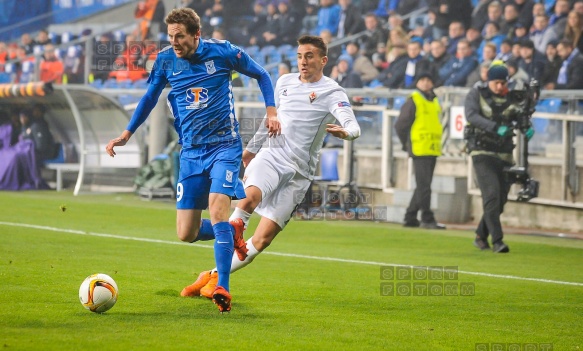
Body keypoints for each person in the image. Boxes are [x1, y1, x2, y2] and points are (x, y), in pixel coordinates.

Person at [105, 8, 280, 313]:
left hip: (224, 147)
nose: (174, 42)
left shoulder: (224, 53)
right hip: (190, 152)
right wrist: (126, 133)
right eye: (170, 36)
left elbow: (262, 74)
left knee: (217, 208)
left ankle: (223, 285)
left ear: (196, 35)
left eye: (180, 36)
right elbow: (148, 98)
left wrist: (271, 110)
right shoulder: (165, 60)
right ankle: (231, 231)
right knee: (186, 233)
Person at [180, 34, 361, 299]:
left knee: (262, 240)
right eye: (299, 56)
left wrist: (348, 133)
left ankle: (211, 275)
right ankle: (223, 273)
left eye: (309, 56)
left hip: (300, 173)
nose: (303, 61)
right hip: (273, 155)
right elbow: (271, 119)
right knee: (250, 198)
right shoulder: (285, 82)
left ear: (324, 60)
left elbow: (352, 123)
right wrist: (251, 150)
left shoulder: (332, 91)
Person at [463, 61, 535, 253]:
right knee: (492, 195)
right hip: (482, 152)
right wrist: (494, 127)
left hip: (504, 155)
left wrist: (526, 128)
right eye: (497, 83)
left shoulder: (511, 98)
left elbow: (520, 118)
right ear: (488, 81)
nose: (500, 86)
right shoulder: (476, 94)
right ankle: (497, 241)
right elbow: (471, 116)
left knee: (500, 200)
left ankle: (480, 236)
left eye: (503, 83)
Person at [394, 72, 445, 230]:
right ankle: (427, 218)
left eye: (428, 80)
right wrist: (407, 144)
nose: (426, 83)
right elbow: (400, 125)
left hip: (432, 148)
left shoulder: (434, 100)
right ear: (417, 83)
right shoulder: (414, 100)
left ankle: (410, 216)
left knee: (424, 185)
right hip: (420, 148)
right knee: (425, 186)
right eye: (422, 80)